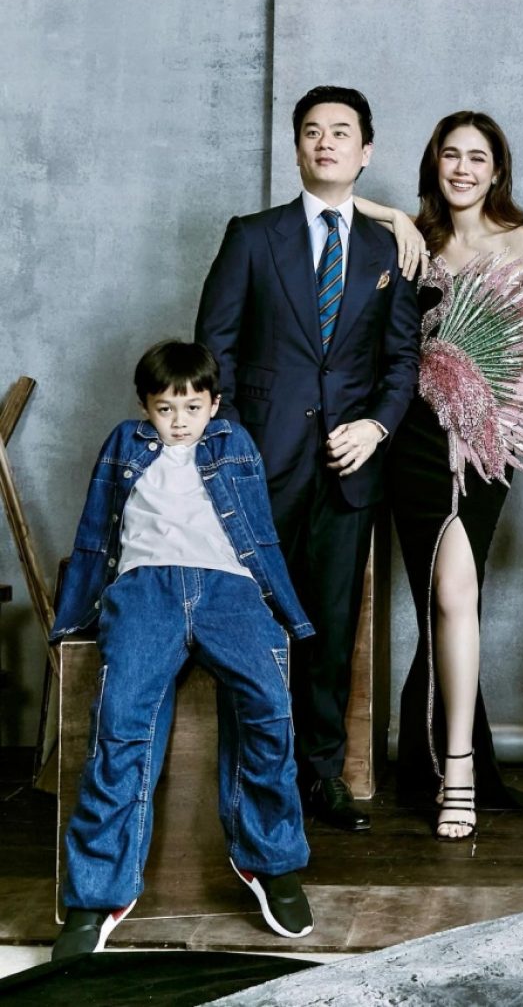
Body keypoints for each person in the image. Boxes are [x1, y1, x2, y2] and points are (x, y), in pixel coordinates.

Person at [356, 111, 523, 840]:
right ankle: (441, 758)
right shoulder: (414, 236)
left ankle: (458, 770)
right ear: (433, 163)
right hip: (411, 441)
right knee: (436, 603)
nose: (462, 169)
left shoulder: (522, 241)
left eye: (477, 158)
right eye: (450, 155)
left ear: (497, 171)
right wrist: (386, 213)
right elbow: (339, 204)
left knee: (457, 593)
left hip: (484, 440)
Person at [195, 86, 419, 833]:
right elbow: (214, 351)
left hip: (350, 470)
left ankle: (320, 776)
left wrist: (376, 429)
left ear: (366, 151)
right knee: (254, 621)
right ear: (297, 148)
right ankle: (252, 774)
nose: (326, 143)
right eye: (313, 132)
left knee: (328, 624)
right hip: (261, 464)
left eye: (342, 132)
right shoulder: (252, 236)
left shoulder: (389, 251)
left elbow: (402, 362)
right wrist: (233, 449)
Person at [50, 341, 314, 960]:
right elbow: (95, 530)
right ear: (144, 406)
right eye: (165, 408)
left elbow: (261, 533)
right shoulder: (124, 443)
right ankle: (95, 895)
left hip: (229, 588)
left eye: (192, 408)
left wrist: (281, 606)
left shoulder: (233, 443)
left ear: (214, 405)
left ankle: (270, 861)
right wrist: (75, 613)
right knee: (120, 723)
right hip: (146, 587)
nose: (179, 421)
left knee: (270, 707)